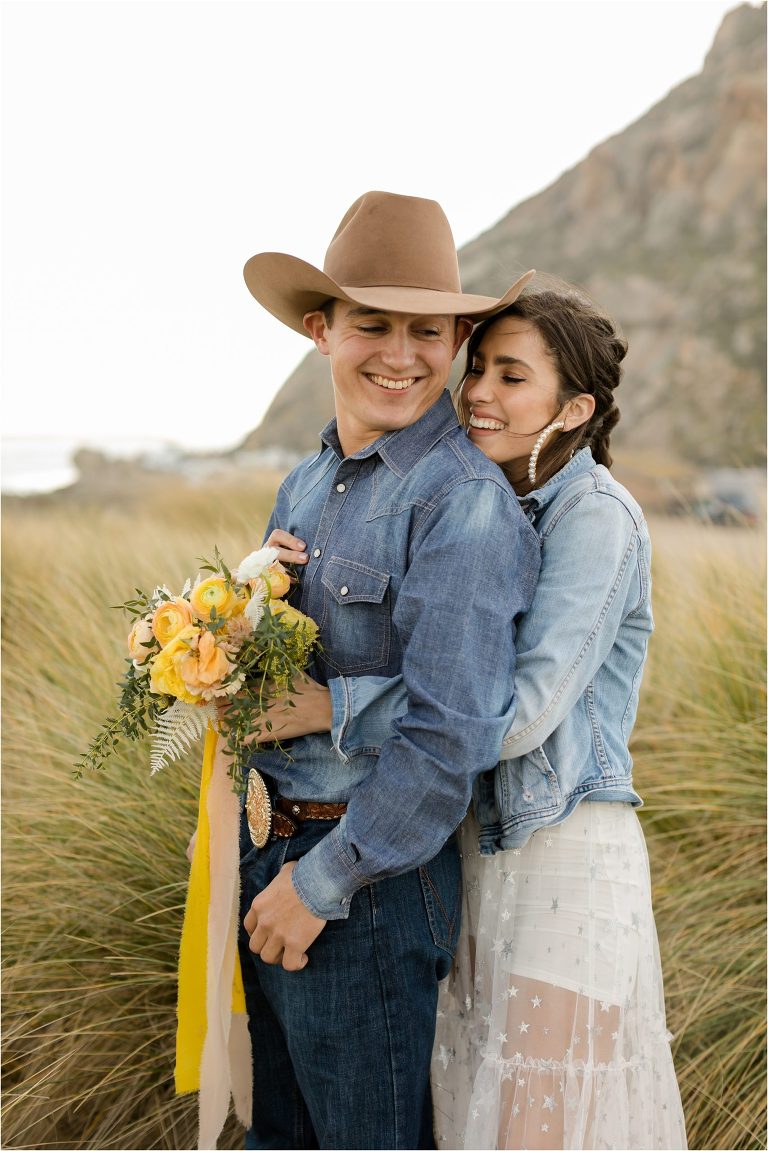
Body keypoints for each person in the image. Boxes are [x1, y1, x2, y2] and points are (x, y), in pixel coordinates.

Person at [264, 285, 688, 1150]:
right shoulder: (504, 499)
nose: (480, 392)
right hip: (474, 851)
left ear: (573, 408)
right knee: (472, 1115)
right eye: (481, 367)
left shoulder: (595, 516)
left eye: (513, 376)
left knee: (540, 1120)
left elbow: (518, 713)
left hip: (562, 858)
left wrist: (339, 706)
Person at [237, 190, 540, 1150]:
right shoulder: (305, 479)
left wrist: (319, 883)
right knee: (275, 1137)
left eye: (429, 330)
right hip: (265, 852)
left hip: (360, 883)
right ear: (321, 329)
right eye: (373, 324)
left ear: (454, 341)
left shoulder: (462, 505)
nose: (402, 354)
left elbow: (448, 738)